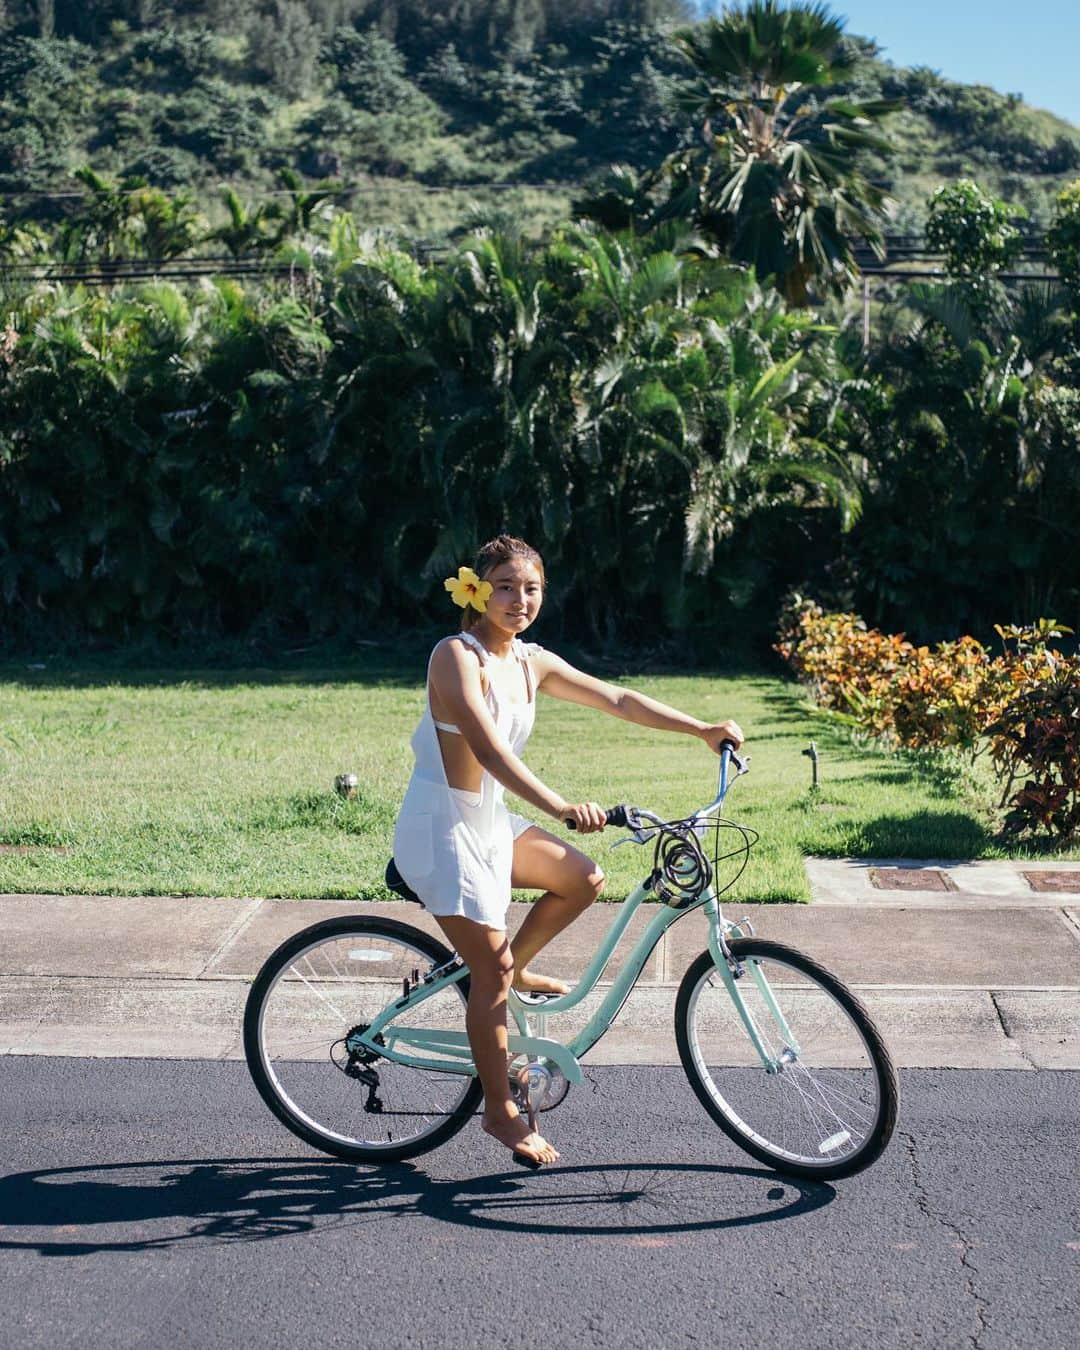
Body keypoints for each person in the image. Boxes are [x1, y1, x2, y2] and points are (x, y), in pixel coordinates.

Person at [392, 534, 744, 1168]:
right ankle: (499, 1112)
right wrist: (558, 805)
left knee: (583, 878)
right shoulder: (456, 656)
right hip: (440, 828)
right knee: (491, 973)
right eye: (504, 586)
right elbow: (489, 749)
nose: (519, 600)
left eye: (531, 589)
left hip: (488, 820)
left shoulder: (531, 662)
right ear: (476, 589)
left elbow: (615, 698)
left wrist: (702, 729)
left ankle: (506, 970)